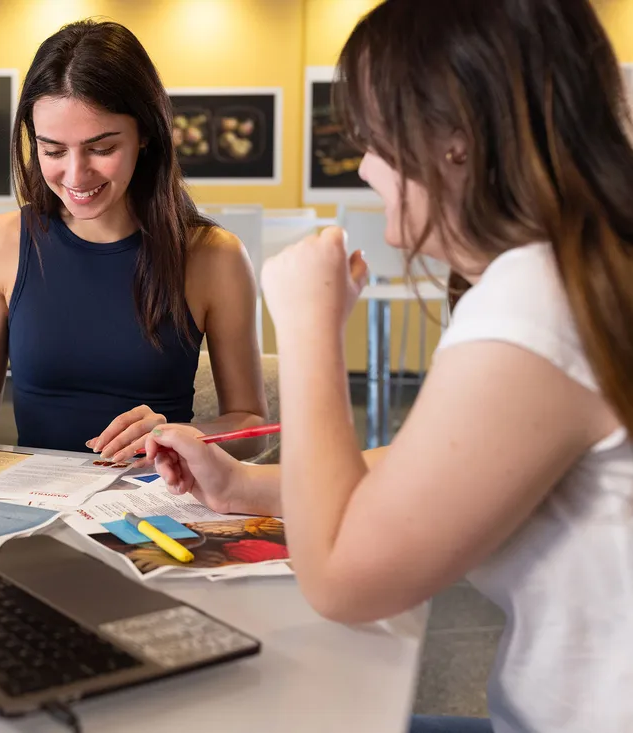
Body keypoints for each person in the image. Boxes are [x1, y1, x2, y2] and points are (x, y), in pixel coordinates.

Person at [144, 1, 633, 732]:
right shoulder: (582, 270)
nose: (366, 165)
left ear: (457, 140)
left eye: (377, 137)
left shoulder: (540, 299)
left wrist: (310, 326)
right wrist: (243, 482)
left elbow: (342, 579)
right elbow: (428, 465)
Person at [0, 20, 268, 463]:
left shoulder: (213, 256)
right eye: (53, 150)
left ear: (145, 135)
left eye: (101, 149)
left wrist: (181, 434)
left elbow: (251, 425)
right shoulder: (1, 242)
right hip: (36, 497)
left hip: (157, 498)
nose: (76, 175)